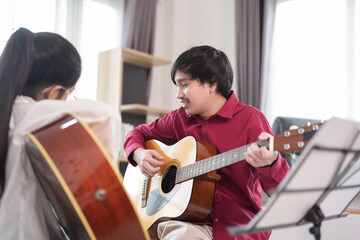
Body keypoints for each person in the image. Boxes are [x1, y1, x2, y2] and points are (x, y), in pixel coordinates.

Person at [124, 45, 290, 240]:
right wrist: (139, 154)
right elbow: (138, 133)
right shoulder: (179, 119)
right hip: (185, 222)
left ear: (212, 83)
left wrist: (270, 163)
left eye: (184, 85)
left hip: (236, 227)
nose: (178, 95)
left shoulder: (252, 121)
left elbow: (280, 191)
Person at [0, 28, 121, 239]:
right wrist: (105, 191)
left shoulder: (10, 110)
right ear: (54, 92)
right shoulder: (30, 113)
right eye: (68, 95)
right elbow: (106, 115)